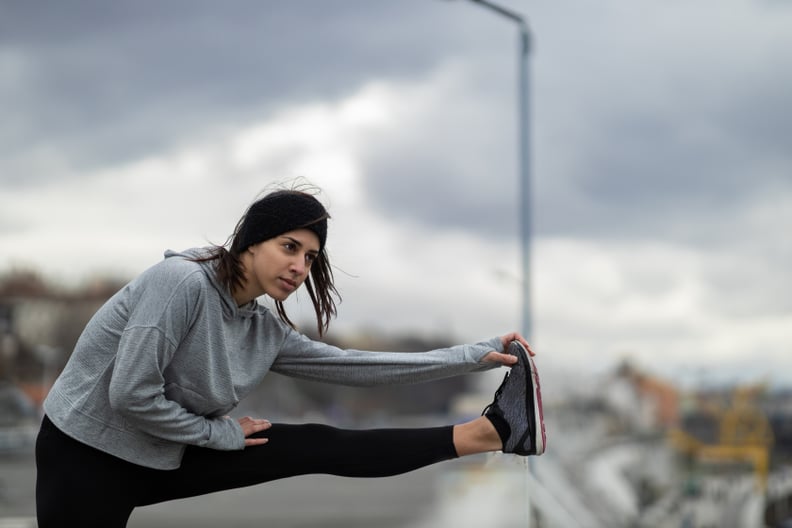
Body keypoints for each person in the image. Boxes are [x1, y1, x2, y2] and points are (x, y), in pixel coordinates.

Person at [35, 187, 546, 527]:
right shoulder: (181, 284)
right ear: (252, 243)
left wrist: (473, 356)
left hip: (164, 449)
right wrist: (222, 435)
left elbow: (356, 367)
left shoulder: (262, 329)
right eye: (289, 247)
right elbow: (129, 393)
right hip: (86, 456)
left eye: (310, 257)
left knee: (316, 443)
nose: (300, 266)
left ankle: (489, 433)